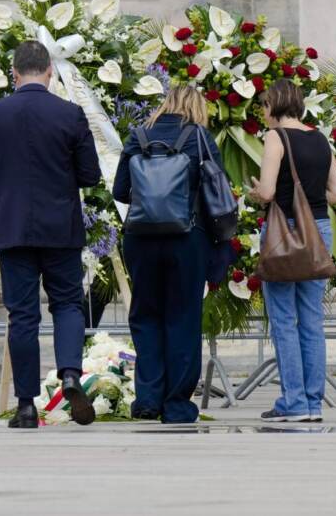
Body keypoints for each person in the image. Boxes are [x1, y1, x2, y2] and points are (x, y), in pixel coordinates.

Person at [0, 40, 100, 429]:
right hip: (60, 226)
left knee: (22, 315)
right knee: (68, 305)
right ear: (49, 72)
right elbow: (90, 175)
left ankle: (26, 405)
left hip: (13, 227)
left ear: (14, 73)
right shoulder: (70, 113)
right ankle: (70, 374)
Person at [112, 85, 222, 424]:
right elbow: (217, 189)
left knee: (145, 316)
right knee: (183, 318)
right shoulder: (199, 137)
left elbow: (120, 190)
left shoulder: (138, 136)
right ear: (196, 107)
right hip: (187, 238)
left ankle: (147, 399)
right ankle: (176, 404)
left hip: (141, 238)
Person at [248, 80, 336, 422]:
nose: (263, 112)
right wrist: (311, 195)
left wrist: (257, 192)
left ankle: (293, 402)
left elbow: (268, 192)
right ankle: (313, 404)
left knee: (284, 320)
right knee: (312, 320)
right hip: (318, 232)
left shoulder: (276, 138)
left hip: (284, 231)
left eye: (264, 105)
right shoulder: (320, 139)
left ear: (274, 104)